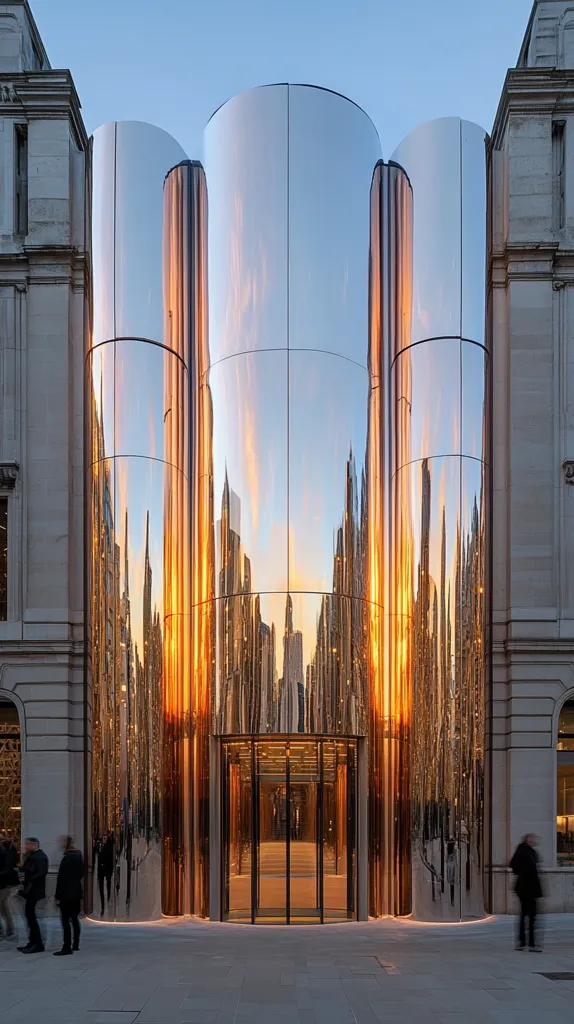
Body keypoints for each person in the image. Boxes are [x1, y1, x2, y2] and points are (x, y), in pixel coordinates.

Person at [509, 833, 543, 951]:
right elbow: (515, 866)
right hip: (527, 888)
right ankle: (530, 943)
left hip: (526, 888)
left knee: (526, 915)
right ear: (528, 840)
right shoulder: (524, 852)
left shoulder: (529, 852)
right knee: (530, 916)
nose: (535, 840)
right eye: (533, 838)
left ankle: (523, 942)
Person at [17, 837, 48, 954]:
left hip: (34, 891)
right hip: (31, 891)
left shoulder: (40, 857)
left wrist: (29, 881)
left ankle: (38, 943)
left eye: (27, 844)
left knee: (32, 918)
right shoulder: (32, 856)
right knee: (29, 917)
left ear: (34, 845)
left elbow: (39, 873)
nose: (25, 846)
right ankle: (32, 942)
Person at [54, 836, 84, 956]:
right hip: (76, 892)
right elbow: (80, 874)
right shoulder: (78, 856)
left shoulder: (67, 858)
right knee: (74, 919)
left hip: (66, 894)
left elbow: (61, 878)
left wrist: (57, 895)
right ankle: (75, 943)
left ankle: (67, 946)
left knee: (65, 920)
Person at [0, 836, 19, 939]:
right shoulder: (7, 851)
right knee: (3, 907)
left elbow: (7, 869)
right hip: (4, 884)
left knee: (3, 907)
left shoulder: (6, 853)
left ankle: (9, 929)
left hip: (3, 885)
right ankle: (8, 929)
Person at [97, 831, 114, 916]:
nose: (104, 839)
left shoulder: (109, 845)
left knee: (108, 883)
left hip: (107, 868)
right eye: (103, 837)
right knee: (101, 885)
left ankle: (108, 900)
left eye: (105, 837)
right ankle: (103, 905)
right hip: (101, 869)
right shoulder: (100, 845)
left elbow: (110, 857)